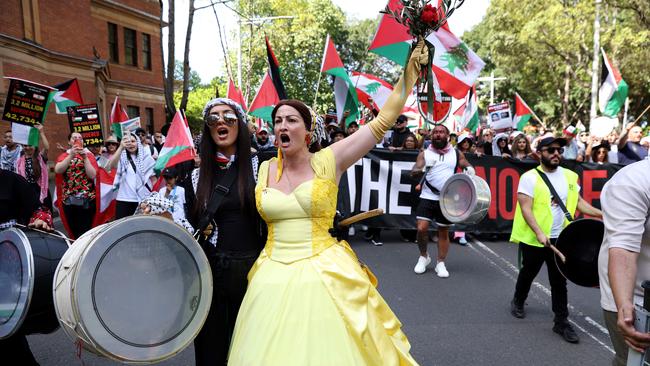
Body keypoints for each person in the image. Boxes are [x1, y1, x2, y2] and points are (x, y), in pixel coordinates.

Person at [227, 40, 428, 366]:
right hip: (271, 277)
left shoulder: (328, 160)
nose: (282, 126)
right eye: (278, 121)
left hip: (324, 272)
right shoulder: (264, 168)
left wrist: (409, 75)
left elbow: (380, 123)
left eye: (291, 120)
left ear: (307, 131)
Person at [190, 97, 265, 366]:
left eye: (229, 117)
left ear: (240, 125)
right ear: (208, 129)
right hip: (210, 274)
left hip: (253, 272)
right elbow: (189, 223)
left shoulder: (261, 167)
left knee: (251, 347)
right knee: (212, 348)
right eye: (214, 118)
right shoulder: (196, 175)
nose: (221, 121)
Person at [509, 136, 602, 343]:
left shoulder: (569, 176)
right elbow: (525, 208)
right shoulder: (529, 177)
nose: (556, 154)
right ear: (539, 152)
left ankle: (561, 322)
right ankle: (518, 299)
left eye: (559, 150)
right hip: (535, 238)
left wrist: (601, 214)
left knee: (559, 280)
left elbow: (579, 204)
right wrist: (539, 232)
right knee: (529, 271)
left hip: (562, 238)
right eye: (550, 150)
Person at [597, 158, 650, 366]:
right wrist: (625, 307)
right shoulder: (632, 181)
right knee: (632, 361)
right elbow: (624, 249)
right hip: (635, 299)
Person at [0, 169, 53, 365]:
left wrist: (40, 220)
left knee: (9, 337)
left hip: (8, 270)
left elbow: (39, 209)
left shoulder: (10, 180)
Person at [410, 124, 475, 278]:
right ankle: (424, 257)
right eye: (435, 132)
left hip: (447, 199)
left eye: (441, 132)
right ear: (432, 136)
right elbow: (413, 171)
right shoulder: (424, 153)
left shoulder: (456, 153)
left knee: (443, 232)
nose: (438, 135)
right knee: (421, 228)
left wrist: (469, 169)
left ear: (447, 136)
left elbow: (465, 164)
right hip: (427, 195)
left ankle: (441, 263)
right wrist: (421, 170)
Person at [54, 132, 98, 239]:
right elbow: (58, 170)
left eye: (80, 138)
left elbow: (92, 175)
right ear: (69, 142)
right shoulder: (64, 155)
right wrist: (71, 155)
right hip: (69, 200)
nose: (77, 140)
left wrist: (85, 158)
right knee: (73, 230)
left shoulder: (89, 155)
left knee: (86, 230)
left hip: (87, 199)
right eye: (74, 138)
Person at [108, 133, 156, 220]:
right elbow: (110, 166)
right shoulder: (121, 158)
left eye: (133, 141)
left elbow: (153, 180)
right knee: (123, 229)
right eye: (127, 142)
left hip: (143, 199)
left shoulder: (147, 158)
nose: (131, 144)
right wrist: (121, 147)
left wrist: (155, 196)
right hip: (124, 199)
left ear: (138, 142)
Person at [15, 123, 50, 209]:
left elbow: (47, 147)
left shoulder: (40, 157)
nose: (27, 147)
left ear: (35, 146)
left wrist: (41, 132)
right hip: (26, 191)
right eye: (25, 145)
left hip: (40, 190)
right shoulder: (19, 161)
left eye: (30, 145)